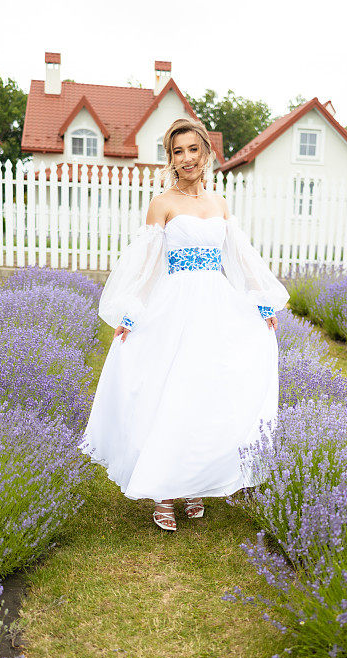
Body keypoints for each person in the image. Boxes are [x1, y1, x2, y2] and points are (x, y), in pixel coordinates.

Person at [78, 118, 289, 532]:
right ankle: (164, 491)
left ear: (207, 153)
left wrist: (262, 302)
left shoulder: (220, 204)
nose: (186, 159)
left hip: (216, 304)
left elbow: (240, 258)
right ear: (170, 159)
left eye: (193, 149)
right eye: (177, 152)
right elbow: (147, 264)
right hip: (174, 305)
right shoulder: (162, 203)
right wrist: (131, 311)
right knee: (169, 389)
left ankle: (194, 482)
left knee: (206, 390)